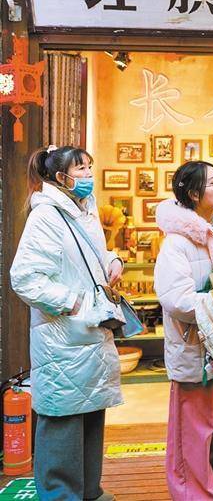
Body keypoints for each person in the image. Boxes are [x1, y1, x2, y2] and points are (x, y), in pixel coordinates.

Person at [10, 145, 123, 501]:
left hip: (90, 333)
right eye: (81, 169)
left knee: (90, 417)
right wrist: (74, 303)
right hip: (63, 338)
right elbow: (25, 278)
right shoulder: (46, 215)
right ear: (61, 177)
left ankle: (90, 492)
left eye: (90, 166)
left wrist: (113, 261)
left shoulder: (84, 210)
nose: (89, 174)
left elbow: (89, 257)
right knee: (63, 423)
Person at [154, 162, 213, 500]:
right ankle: (194, 492)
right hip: (194, 348)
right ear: (193, 193)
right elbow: (175, 298)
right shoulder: (177, 242)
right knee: (194, 428)